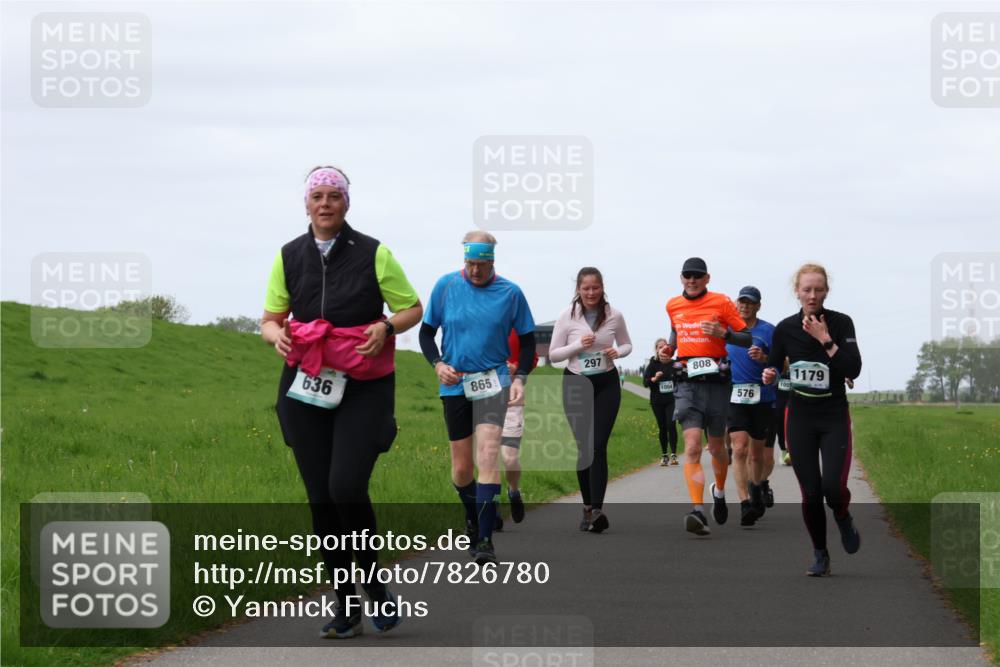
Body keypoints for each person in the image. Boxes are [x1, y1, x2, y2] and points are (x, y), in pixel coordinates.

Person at [261, 166, 423, 638]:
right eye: (317, 196)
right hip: (305, 385)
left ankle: (374, 587)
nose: (326, 203)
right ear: (306, 204)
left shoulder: (374, 252)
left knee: (345, 486)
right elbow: (271, 318)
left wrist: (386, 327)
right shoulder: (289, 256)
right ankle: (345, 604)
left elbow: (412, 307)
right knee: (321, 500)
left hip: (364, 385)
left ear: (347, 203)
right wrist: (277, 337)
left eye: (334, 196)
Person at [419, 232, 536, 565]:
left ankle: (485, 541)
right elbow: (427, 333)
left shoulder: (510, 293)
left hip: (493, 382)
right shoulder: (445, 287)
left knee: (488, 455)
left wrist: (521, 379)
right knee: (461, 468)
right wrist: (437, 364)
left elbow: (527, 342)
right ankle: (473, 517)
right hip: (455, 384)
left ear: (492, 262)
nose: (474, 271)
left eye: (481, 265)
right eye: (469, 264)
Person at [763, 263, 862, 576]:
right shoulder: (785, 329)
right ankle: (820, 554)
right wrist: (770, 373)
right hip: (800, 417)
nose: (813, 294)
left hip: (833, 415)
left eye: (819, 289)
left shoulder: (842, 323)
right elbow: (774, 366)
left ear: (826, 291)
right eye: (807, 289)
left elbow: (853, 369)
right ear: (797, 291)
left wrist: (825, 339)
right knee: (811, 492)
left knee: (833, 489)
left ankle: (843, 516)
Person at [666, 257, 752, 536]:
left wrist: (723, 333)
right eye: (687, 275)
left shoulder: (721, 302)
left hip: (716, 383)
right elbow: (674, 337)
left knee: (716, 448)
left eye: (697, 276)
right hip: (687, 384)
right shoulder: (673, 305)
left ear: (707, 278)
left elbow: (746, 338)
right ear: (681, 278)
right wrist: (666, 352)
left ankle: (720, 491)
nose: (692, 280)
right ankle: (697, 510)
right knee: (691, 446)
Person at [549, 267, 632, 533]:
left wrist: (617, 352)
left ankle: (597, 510)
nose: (591, 293)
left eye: (595, 288)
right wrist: (578, 346)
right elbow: (554, 355)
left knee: (598, 445)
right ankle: (586, 507)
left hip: (606, 383)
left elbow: (628, 344)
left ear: (602, 287)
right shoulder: (567, 316)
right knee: (584, 448)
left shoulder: (614, 315)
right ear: (578, 290)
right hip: (575, 382)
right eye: (586, 288)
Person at [725, 286, 776, 526]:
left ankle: (756, 487)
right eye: (742, 302)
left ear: (758, 306)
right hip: (735, 395)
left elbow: (782, 363)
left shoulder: (768, 330)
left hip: (762, 397)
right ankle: (745, 503)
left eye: (750, 303)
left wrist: (765, 359)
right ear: (736, 304)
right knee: (739, 448)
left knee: (757, 456)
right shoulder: (727, 329)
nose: (745, 306)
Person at [500, 327, 538, 524]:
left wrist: (516, 367)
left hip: (512, 401)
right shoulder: (477, 321)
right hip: (480, 399)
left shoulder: (517, 328)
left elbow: (532, 357)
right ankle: (491, 508)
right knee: (486, 457)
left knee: (509, 459)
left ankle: (513, 491)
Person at [642, 338, 679, 466]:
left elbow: (682, 378)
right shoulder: (652, 365)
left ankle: (674, 454)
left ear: (669, 349)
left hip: (672, 400)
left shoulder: (674, 364)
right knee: (662, 427)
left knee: (671, 424)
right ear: (656, 350)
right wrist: (654, 378)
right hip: (657, 401)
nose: (662, 349)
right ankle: (664, 455)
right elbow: (645, 383)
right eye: (659, 347)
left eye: (665, 346)